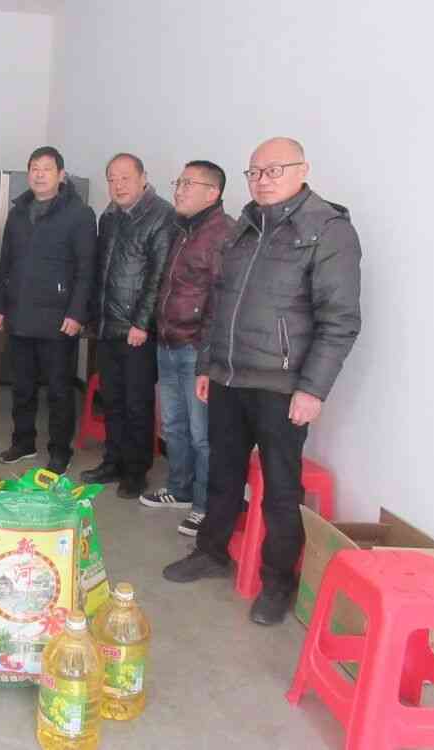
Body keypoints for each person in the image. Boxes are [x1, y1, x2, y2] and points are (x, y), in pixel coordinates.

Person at [163, 138, 362, 626]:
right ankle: (211, 551)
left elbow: (339, 320)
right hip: (229, 376)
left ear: (303, 169)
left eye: (275, 170)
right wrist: (208, 365)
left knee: (280, 489)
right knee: (223, 472)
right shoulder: (244, 228)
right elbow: (219, 304)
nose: (263, 180)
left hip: (282, 385)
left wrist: (312, 389)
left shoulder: (327, 231)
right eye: (254, 172)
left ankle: (277, 582)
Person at [139, 160, 235, 536]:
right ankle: (179, 488)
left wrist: (207, 358)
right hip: (169, 341)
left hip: (197, 349)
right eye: (178, 182)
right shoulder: (183, 229)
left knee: (201, 433)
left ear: (213, 193)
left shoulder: (222, 234)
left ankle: (203, 504)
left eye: (188, 184)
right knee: (173, 425)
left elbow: (220, 303)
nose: (178, 190)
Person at [0, 146, 96, 474]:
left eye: (47, 168)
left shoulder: (79, 214)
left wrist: (76, 313)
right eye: (34, 168)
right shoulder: (19, 211)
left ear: (61, 175)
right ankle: (23, 442)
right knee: (21, 386)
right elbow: (5, 262)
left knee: (59, 390)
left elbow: (86, 269)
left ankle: (60, 450)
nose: (39, 174)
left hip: (58, 318)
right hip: (20, 314)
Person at [80, 153, 174, 498]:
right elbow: (101, 270)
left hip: (137, 331)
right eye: (112, 179)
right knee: (112, 400)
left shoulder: (161, 215)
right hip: (108, 325)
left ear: (143, 178)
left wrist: (142, 323)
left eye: (125, 178)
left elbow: (159, 275)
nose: (118, 185)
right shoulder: (110, 216)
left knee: (137, 404)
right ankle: (113, 461)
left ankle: (136, 471)